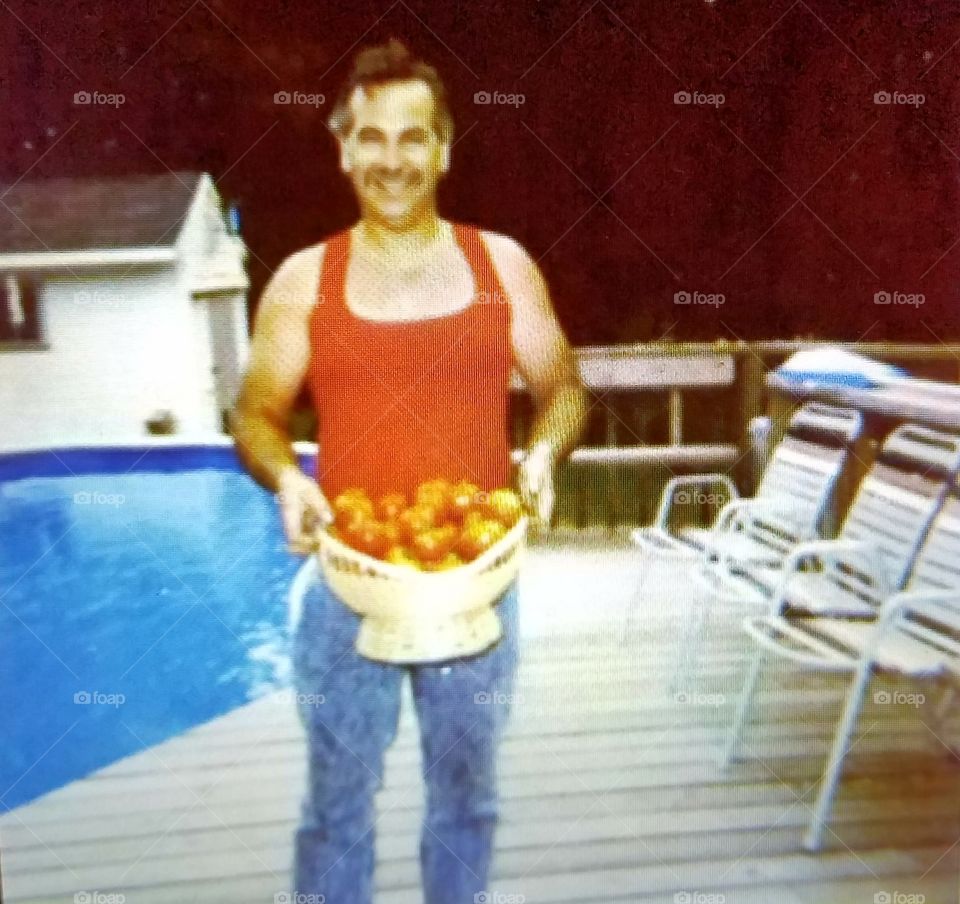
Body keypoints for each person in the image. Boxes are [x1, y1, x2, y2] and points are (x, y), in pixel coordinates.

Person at [231, 38, 587, 904]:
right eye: (373, 139)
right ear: (343, 147)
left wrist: (542, 452)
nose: (393, 160)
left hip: (476, 586)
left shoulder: (501, 266)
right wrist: (288, 479)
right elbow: (254, 415)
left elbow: (565, 387)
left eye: (413, 137)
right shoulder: (301, 281)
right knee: (335, 810)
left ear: (445, 148)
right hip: (349, 582)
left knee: (467, 802)